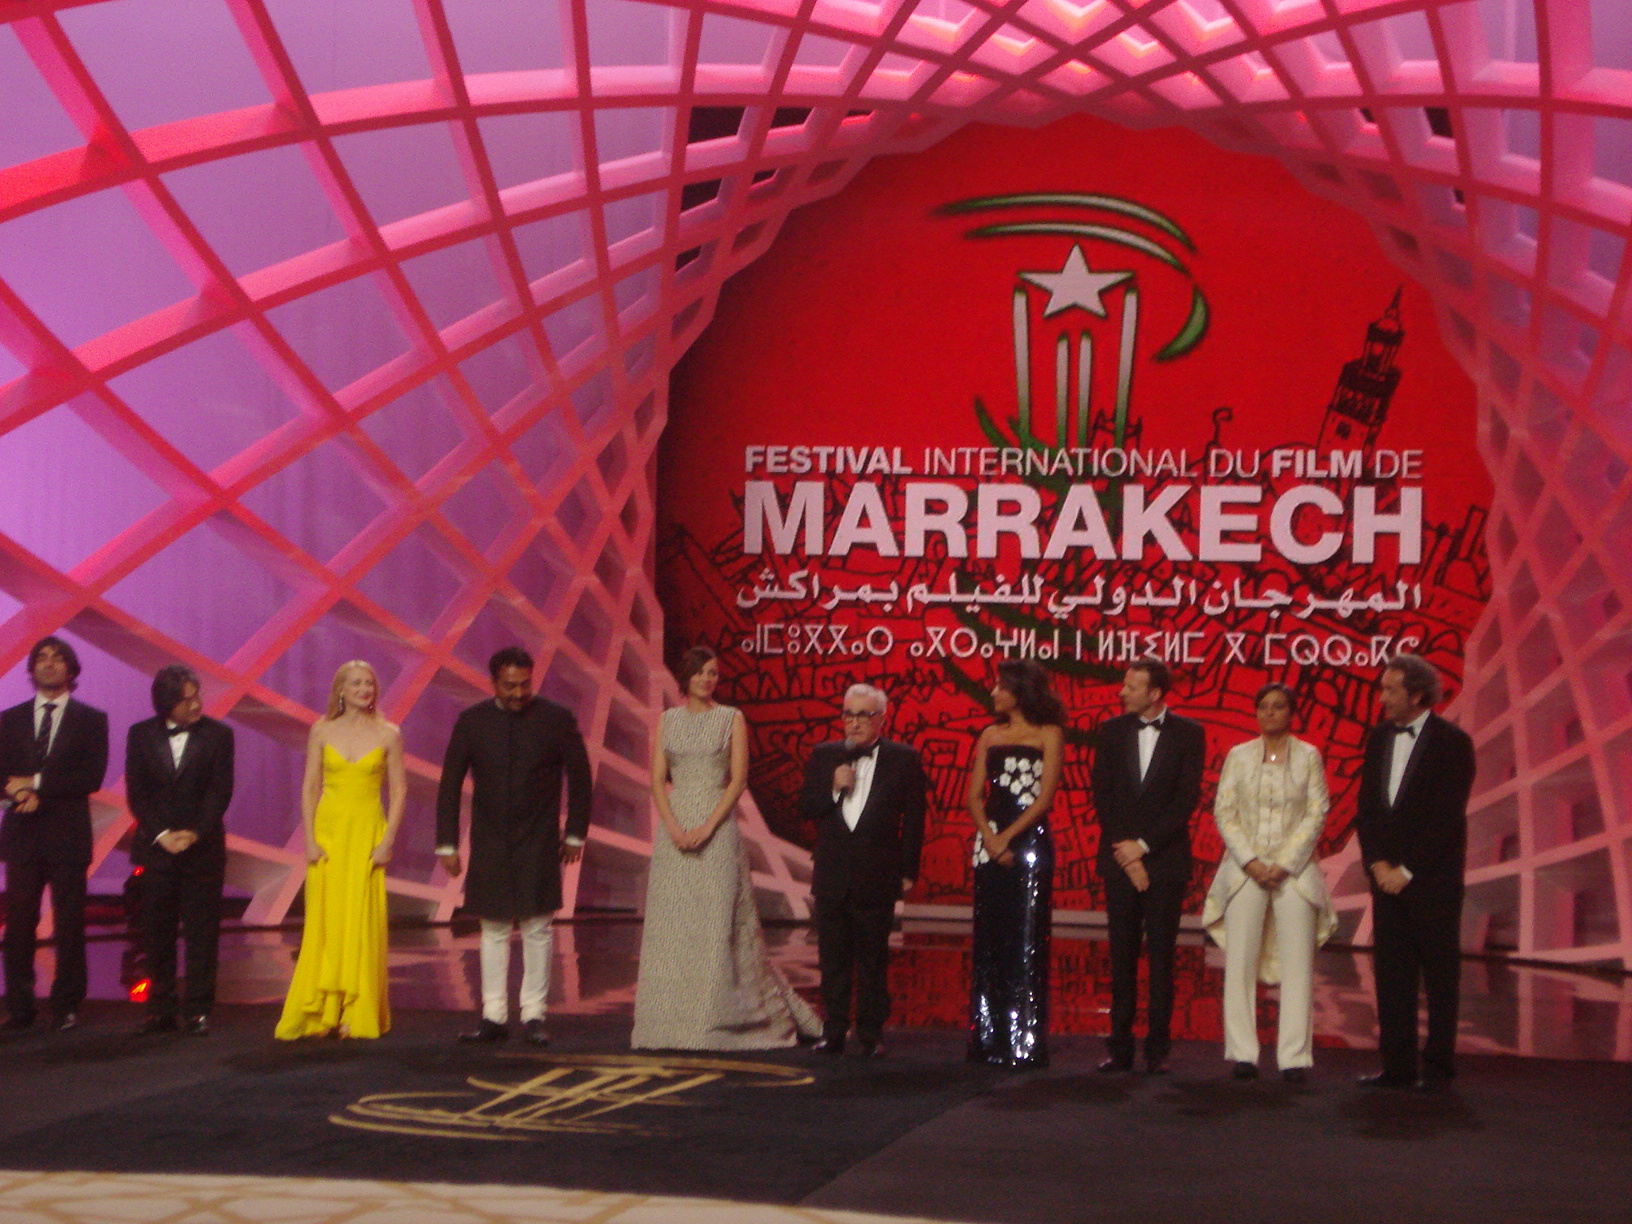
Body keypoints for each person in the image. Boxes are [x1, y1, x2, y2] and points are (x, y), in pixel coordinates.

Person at [631, 647, 820, 1049]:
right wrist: (674, 827)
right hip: (675, 831)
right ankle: (666, 1023)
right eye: (700, 672)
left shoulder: (731, 718)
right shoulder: (668, 720)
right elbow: (658, 780)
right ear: (686, 677)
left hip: (717, 829)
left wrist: (707, 826)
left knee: (718, 925)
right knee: (674, 926)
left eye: (713, 672)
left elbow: (737, 780)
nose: (707, 679)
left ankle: (715, 1021)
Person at [436, 646, 592, 1046]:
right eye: (509, 686)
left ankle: (534, 1015)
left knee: (538, 926)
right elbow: (450, 783)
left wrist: (575, 833)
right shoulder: (472, 721)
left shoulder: (556, 719)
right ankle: (493, 1016)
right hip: (489, 838)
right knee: (493, 927)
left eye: (524, 684)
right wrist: (447, 844)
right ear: (493, 682)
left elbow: (580, 777)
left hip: (539, 838)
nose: (518, 693)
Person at [1200, 683, 1336, 1083]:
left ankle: (1293, 1058)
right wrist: (1251, 861)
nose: (1270, 713)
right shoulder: (1239, 756)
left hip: (1295, 870)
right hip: (1246, 869)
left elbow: (1317, 811)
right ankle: (1243, 1053)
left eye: (1278, 707)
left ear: (1291, 713)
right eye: (1263, 707)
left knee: (1298, 964)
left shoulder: (1308, 756)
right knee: (1239, 962)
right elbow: (1224, 812)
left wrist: (1286, 863)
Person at [1355, 653, 1476, 1090]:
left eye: (1390, 689)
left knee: (1439, 976)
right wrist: (1377, 864)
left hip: (1433, 882)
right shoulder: (1379, 738)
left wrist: (1406, 870)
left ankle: (1439, 1067)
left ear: (1418, 695)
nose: (1382, 698)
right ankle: (1397, 1066)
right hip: (1385, 879)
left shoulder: (1453, 742)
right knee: (1392, 974)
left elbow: (1447, 817)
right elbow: (1367, 809)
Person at [275, 660, 404, 1040]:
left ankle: (355, 1010)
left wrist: (387, 841)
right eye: (357, 683)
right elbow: (309, 787)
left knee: (360, 921)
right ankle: (323, 1010)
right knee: (326, 922)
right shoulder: (321, 730)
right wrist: (309, 840)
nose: (364, 689)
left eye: (369, 683)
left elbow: (399, 792)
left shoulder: (389, 734)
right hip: (329, 834)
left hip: (366, 834)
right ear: (341, 690)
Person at [798, 683, 927, 1058]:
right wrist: (834, 789)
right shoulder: (824, 755)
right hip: (833, 874)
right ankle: (833, 1030)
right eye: (848, 714)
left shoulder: (904, 759)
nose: (853, 723)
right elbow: (806, 807)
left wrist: (908, 870)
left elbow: (914, 819)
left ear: (881, 719)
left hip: (878, 873)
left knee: (873, 959)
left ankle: (871, 1033)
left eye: (863, 715)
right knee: (833, 959)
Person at [1091, 657, 1204, 1074]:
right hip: (1119, 861)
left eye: (1132, 686)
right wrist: (1126, 853)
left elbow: (1185, 799)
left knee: (1161, 958)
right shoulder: (1111, 731)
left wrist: (1143, 847)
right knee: (1121, 956)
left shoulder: (1189, 733)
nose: (1122, 692)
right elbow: (1102, 794)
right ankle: (1119, 1047)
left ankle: (1157, 1051)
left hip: (1165, 861)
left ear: (1155, 693)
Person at [1, 637, 109, 1034]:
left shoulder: (91, 720)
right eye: (42, 659)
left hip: (67, 835)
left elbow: (90, 777)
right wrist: (16, 793)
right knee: (19, 925)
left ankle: (66, 1005)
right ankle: (20, 1006)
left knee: (69, 924)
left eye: (57, 658)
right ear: (32, 669)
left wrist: (36, 785)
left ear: (71, 669)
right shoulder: (8, 719)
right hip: (22, 834)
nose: (48, 664)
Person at [126, 664, 235, 1036]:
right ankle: (161, 1007)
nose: (196, 704)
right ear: (166, 704)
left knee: (202, 933)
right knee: (157, 932)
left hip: (202, 849)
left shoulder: (219, 735)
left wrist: (194, 833)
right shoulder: (140, 735)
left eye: (197, 696)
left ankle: (199, 1009)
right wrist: (162, 834)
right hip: (157, 850)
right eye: (186, 700)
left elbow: (219, 792)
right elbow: (137, 794)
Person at [966, 659, 1065, 1068]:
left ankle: (1024, 1043)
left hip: (1028, 846)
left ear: (1020, 691)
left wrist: (1007, 837)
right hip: (989, 844)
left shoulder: (1049, 734)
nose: (993, 693)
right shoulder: (989, 735)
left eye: (1000, 686)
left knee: (1026, 941)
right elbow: (974, 795)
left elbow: (1045, 799)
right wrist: (990, 838)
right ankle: (988, 1041)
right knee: (990, 940)